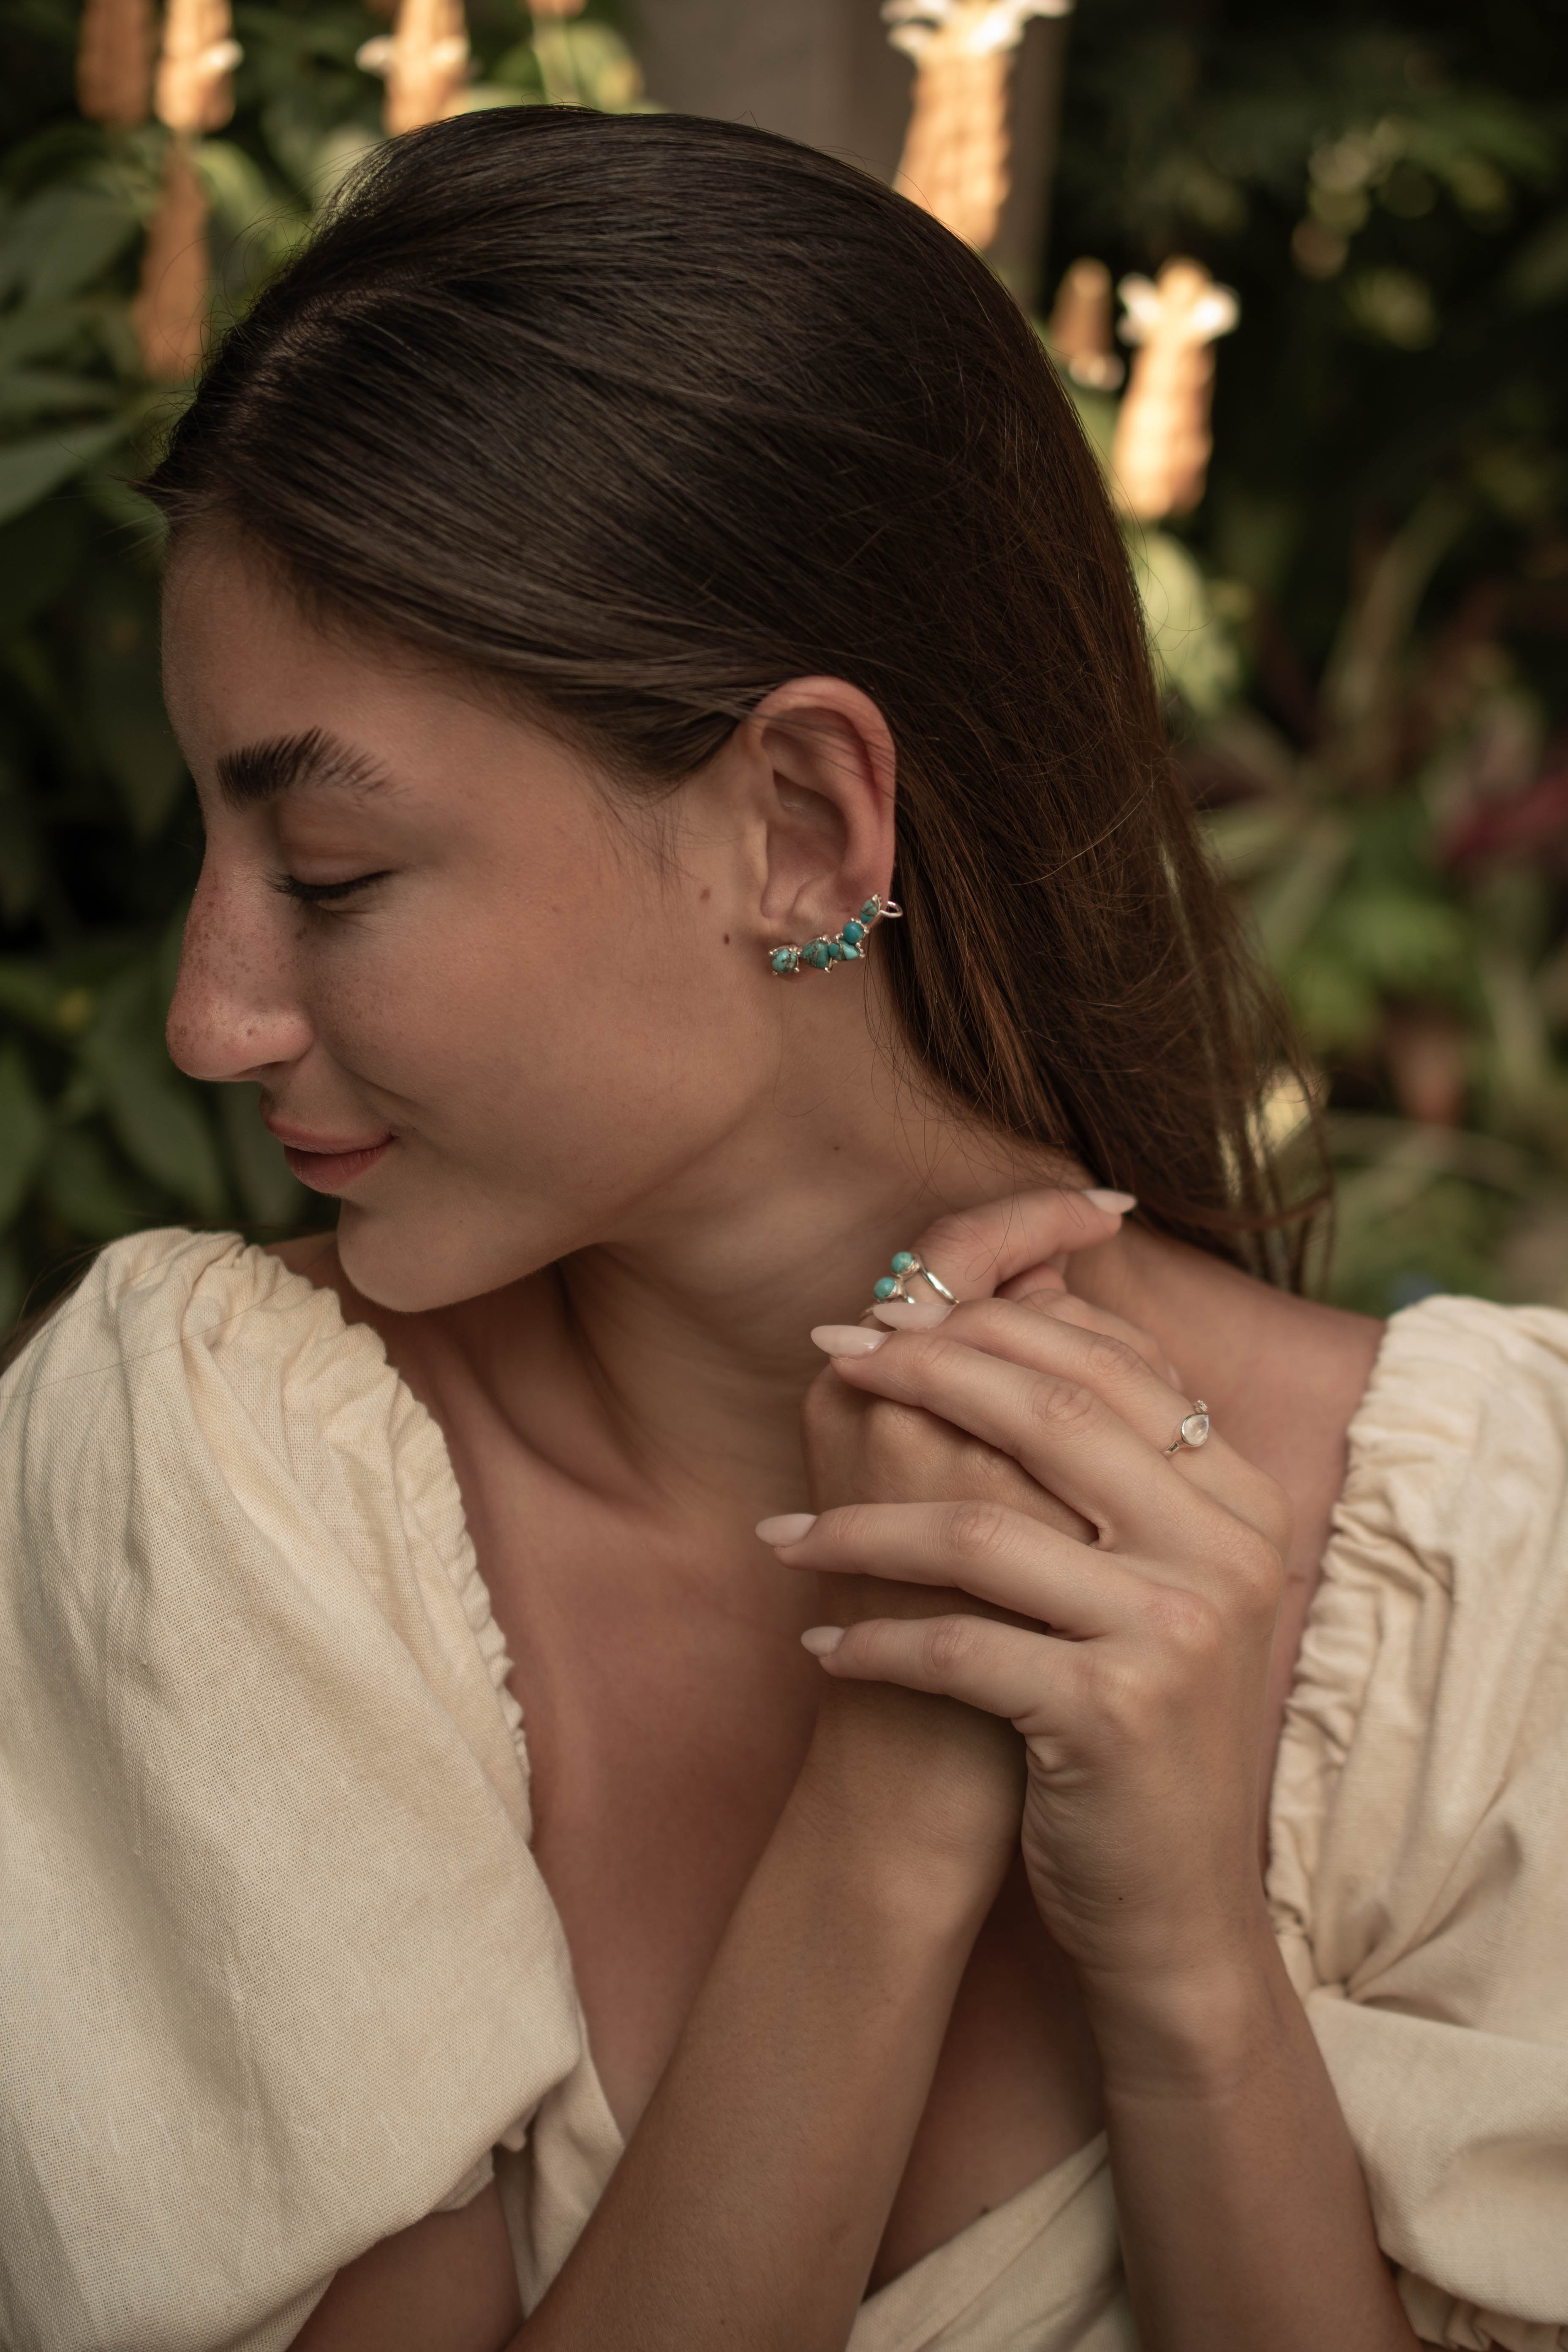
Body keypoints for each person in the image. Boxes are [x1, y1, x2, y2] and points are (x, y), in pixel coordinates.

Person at [1, 105, 1564, 2352]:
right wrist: (891, 1820)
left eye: (329, 874)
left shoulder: (1501, 1582)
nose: (208, 1014)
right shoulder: (213, 1464)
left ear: (805, 827)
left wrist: (1199, 1980)